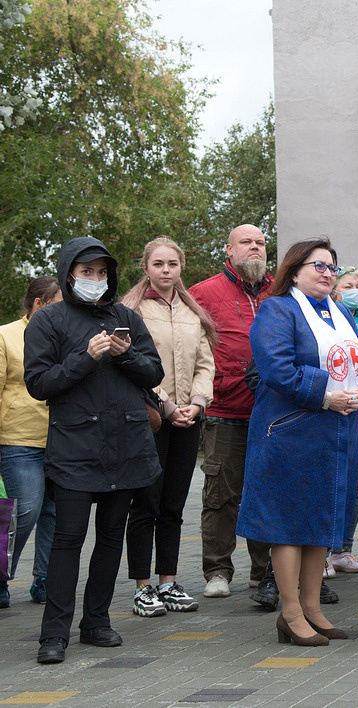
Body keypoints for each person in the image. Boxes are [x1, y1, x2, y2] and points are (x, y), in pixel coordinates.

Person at [236, 237, 358, 645]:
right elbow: (275, 368)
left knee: (322, 519)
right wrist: (325, 395)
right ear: (295, 270)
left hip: (336, 431)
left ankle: (313, 607)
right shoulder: (278, 309)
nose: (327, 273)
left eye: (331, 267)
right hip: (291, 429)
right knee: (289, 523)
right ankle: (289, 612)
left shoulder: (339, 312)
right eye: (318, 266)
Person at [24, 237, 164, 664]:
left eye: (102, 273)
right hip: (75, 448)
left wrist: (123, 356)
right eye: (87, 272)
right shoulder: (48, 321)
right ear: (70, 273)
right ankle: (54, 635)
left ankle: (96, 622)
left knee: (110, 538)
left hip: (125, 444)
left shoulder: (125, 317)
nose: (96, 280)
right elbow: (40, 383)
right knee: (68, 539)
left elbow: (153, 371)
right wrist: (86, 357)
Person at [120, 237, 217, 616]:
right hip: (151, 418)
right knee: (146, 502)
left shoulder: (194, 313)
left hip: (188, 418)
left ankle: (169, 581)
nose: (165, 271)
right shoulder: (132, 311)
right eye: (158, 264)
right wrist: (168, 404)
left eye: (172, 264)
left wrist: (195, 403)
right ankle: (143, 586)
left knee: (174, 504)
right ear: (146, 268)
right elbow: (133, 365)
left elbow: (205, 363)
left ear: (181, 267)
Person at [188, 225, 274, 605]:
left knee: (266, 493)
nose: (254, 248)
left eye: (260, 243)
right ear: (229, 249)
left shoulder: (281, 291)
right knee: (221, 494)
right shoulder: (203, 293)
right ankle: (218, 570)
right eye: (246, 242)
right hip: (225, 409)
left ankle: (264, 571)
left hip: (272, 411)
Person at [0, 277, 62, 609]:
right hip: (18, 440)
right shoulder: (5, 335)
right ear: (39, 304)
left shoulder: (64, 336)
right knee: (25, 511)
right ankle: (1, 574)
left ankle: (44, 579)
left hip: (61, 440)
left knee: (54, 512)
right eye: (57, 305)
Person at [324, 265, 358, 575]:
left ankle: (343, 548)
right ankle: (321, 553)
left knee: (352, 488)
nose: (355, 289)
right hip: (327, 413)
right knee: (327, 485)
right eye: (348, 284)